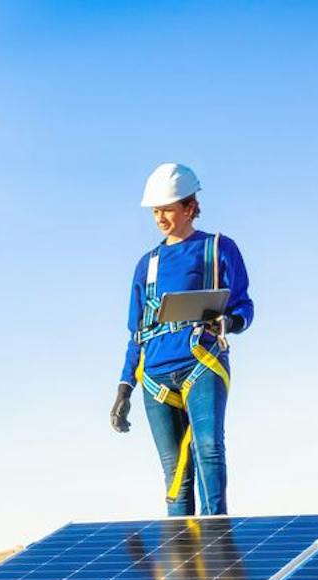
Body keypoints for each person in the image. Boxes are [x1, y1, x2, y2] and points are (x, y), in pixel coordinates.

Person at [109, 163, 254, 516]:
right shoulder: (147, 264)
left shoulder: (218, 248)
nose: (159, 217)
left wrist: (230, 321)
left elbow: (245, 305)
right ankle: (182, 556)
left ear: (189, 207)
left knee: (208, 448)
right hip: (155, 377)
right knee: (175, 472)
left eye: (167, 209)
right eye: (155, 211)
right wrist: (124, 388)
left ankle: (216, 538)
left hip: (200, 364)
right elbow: (136, 333)